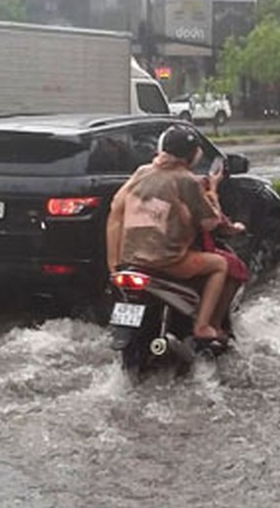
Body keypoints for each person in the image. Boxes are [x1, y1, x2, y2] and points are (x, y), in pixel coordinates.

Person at [106, 125, 249, 345]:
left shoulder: (142, 172)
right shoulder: (186, 180)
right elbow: (210, 223)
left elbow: (117, 205)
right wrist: (212, 191)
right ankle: (204, 326)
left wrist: (114, 263)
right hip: (167, 261)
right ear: (191, 155)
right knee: (221, 264)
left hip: (130, 259)